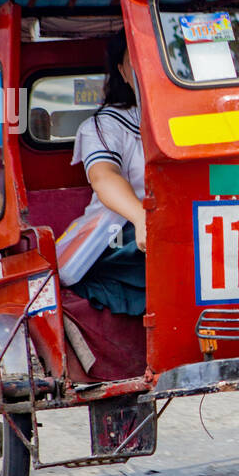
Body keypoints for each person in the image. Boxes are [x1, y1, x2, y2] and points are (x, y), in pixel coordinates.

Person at [55, 32, 147, 316]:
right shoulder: (104, 125)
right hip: (124, 234)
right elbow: (104, 176)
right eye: (139, 61)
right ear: (123, 71)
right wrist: (143, 219)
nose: (149, 69)